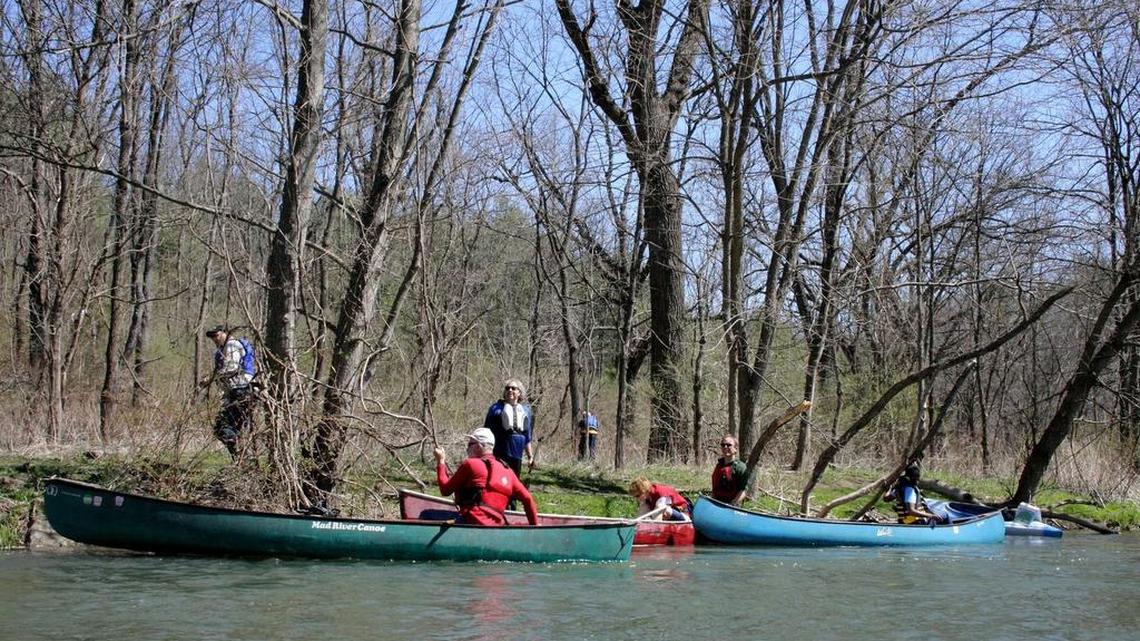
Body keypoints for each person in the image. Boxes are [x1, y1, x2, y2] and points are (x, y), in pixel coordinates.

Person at [433, 427, 538, 526]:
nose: (467, 448)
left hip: (470, 522)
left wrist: (441, 461)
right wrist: (534, 527)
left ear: (478, 446)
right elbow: (528, 499)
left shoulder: (470, 464)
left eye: (470, 444)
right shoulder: (509, 472)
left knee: (427, 514)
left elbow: (445, 490)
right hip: (496, 526)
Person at [198, 325, 254, 458]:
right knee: (230, 429)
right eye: (212, 337)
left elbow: (231, 369)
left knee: (223, 428)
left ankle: (243, 457)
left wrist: (211, 379)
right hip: (235, 392)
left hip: (241, 391)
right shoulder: (223, 349)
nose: (214, 339)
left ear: (225, 333)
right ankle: (242, 459)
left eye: (216, 335)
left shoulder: (232, 345)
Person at [484, 379, 535, 477]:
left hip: (517, 456)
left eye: (513, 388)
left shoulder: (526, 411)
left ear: (519, 392)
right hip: (499, 454)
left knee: (513, 482)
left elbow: (527, 437)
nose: (510, 390)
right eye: (507, 388)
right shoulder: (495, 408)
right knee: (498, 482)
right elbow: (486, 432)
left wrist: (530, 456)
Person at [710, 434, 749, 505]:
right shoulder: (719, 465)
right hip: (716, 504)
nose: (725, 447)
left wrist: (733, 503)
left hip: (731, 506)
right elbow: (714, 489)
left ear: (735, 448)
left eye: (729, 445)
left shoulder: (740, 467)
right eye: (723, 445)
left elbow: (743, 491)